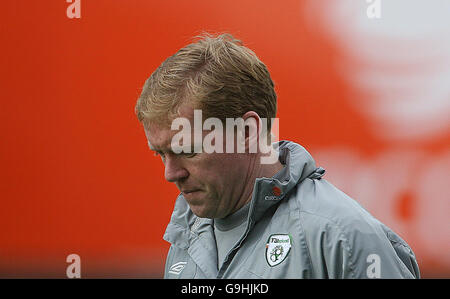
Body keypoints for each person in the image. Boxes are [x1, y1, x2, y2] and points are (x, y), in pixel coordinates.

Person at [134, 33, 420, 279]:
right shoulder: (187, 235)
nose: (170, 173)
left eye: (187, 150)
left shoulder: (342, 237)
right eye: (161, 153)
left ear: (247, 132)